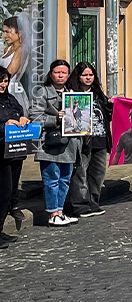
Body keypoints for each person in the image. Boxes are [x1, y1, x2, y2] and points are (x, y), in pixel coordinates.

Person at [30, 60, 81, 227]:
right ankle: (53, 212)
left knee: (65, 178)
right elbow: (34, 117)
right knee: (51, 178)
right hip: (49, 143)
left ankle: (60, 211)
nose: (60, 75)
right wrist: (55, 118)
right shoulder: (41, 92)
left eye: (64, 72)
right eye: (57, 72)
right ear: (51, 74)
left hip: (68, 142)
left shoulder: (72, 92)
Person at [65, 62, 111, 218]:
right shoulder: (72, 94)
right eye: (85, 75)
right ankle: (80, 205)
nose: (88, 78)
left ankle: (93, 202)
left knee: (98, 173)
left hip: (101, 139)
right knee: (80, 173)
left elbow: (108, 115)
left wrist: (112, 105)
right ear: (78, 76)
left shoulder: (99, 94)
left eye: (91, 75)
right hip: (83, 140)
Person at [0, 70, 29, 247]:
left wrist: (23, 119)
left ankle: (1, 229)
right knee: (3, 192)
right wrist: (4, 125)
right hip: (1, 154)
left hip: (14, 151)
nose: (3, 85)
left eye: (5, 81)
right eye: (0, 81)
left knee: (10, 192)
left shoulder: (10, 98)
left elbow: (19, 113)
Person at [0, 14, 31, 110]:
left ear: (19, 33)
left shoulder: (21, 50)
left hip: (11, 90)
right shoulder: (7, 49)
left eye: (8, 32)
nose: (5, 35)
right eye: (4, 32)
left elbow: (9, 72)